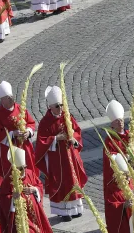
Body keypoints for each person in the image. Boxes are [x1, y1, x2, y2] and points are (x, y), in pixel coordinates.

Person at [35, 86, 87, 222]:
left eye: (62, 105)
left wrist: (73, 139)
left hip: (70, 156)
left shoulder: (67, 116)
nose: (60, 108)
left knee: (73, 180)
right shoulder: (45, 122)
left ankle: (76, 209)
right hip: (56, 160)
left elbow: (77, 131)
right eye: (57, 106)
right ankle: (63, 212)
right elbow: (41, 141)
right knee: (61, 183)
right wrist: (56, 138)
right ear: (50, 106)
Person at [103, 100, 134, 233]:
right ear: (112, 124)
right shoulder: (109, 141)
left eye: (121, 120)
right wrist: (126, 159)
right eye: (116, 121)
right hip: (121, 180)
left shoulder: (130, 137)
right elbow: (111, 160)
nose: (120, 122)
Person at [0, 80, 38, 186]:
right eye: (8, 97)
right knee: (12, 174)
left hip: (24, 146)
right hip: (9, 149)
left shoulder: (20, 108)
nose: (11, 99)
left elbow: (31, 123)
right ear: (2, 100)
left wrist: (28, 132)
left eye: (11, 96)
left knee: (27, 168)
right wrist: (12, 134)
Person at [0, 146, 54, 233]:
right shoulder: (8, 180)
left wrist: (34, 189)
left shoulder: (30, 173)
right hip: (21, 216)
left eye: (25, 167)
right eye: (20, 168)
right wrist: (13, 198)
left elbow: (39, 184)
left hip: (35, 214)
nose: (24, 170)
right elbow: (3, 198)